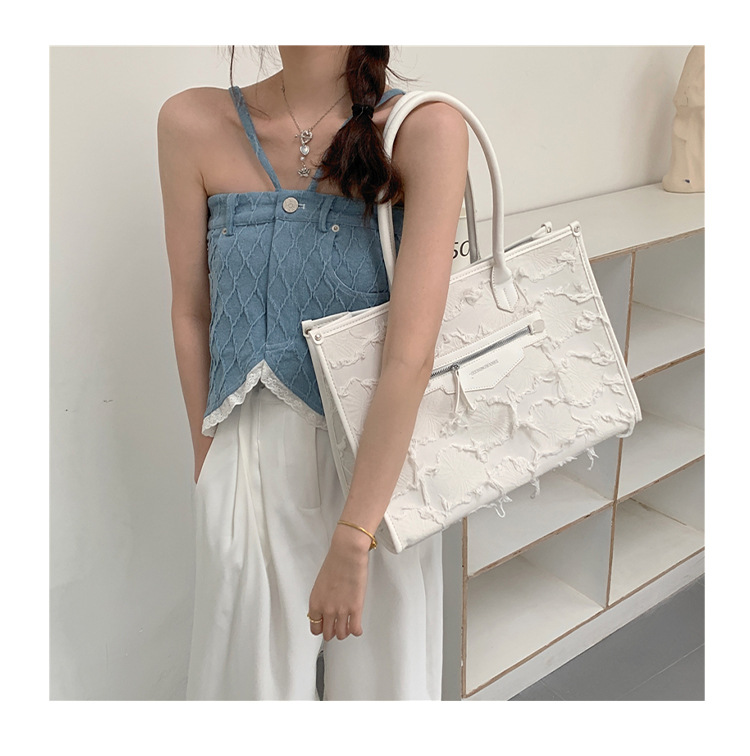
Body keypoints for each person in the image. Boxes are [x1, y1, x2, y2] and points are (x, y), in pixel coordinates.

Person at [157, 45, 469, 700]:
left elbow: (411, 355)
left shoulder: (423, 128)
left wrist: (355, 536)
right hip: (250, 461)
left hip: (381, 465)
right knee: (245, 697)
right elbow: (191, 310)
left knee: (387, 697)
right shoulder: (191, 123)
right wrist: (210, 461)